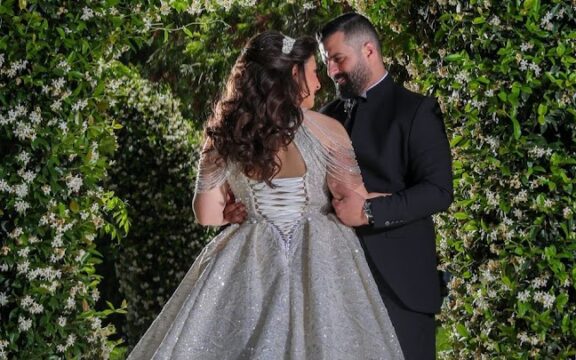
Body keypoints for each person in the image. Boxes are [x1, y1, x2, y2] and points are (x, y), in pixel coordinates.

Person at [127, 31, 404, 359]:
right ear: (293, 74)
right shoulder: (329, 132)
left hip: (251, 257)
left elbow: (206, 213)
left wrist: (228, 212)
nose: (318, 83)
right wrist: (401, 201)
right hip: (322, 258)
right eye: (314, 72)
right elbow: (352, 209)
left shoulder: (225, 136)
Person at [317, 13, 454, 360]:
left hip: (401, 285)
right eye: (326, 61)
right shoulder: (326, 116)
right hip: (336, 281)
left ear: (368, 51)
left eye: (338, 58)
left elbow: (439, 190)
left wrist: (369, 211)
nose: (331, 70)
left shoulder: (417, 110)